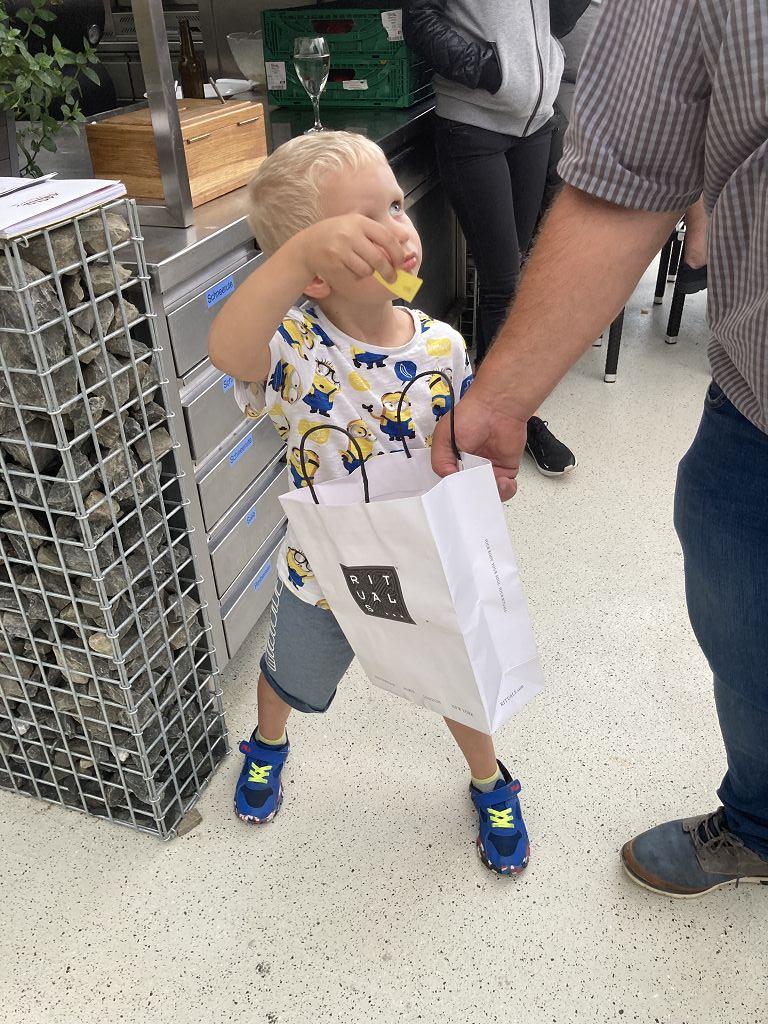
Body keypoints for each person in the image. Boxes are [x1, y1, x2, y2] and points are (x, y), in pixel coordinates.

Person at [431, 0, 768, 898]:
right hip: (755, 402)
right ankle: (761, 822)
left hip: (532, 119)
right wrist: (504, 399)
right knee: (739, 610)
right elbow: (629, 177)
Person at [208, 132, 530, 877]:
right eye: (367, 223)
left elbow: (460, 445)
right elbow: (227, 350)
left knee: (458, 677)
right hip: (324, 571)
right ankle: (268, 743)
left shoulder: (444, 345)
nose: (399, 228)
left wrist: (483, 478)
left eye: (396, 205)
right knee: (291, 672)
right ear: (317, 273)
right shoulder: (291, 348)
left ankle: (490, 780)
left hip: (425, 562)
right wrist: (295, 257)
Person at [404, 0, 588, 477]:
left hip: (534, 125)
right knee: (503, 281)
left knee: (515, 278)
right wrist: (490, 70)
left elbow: (557, 20)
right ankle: (512, 415)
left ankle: (497, 408)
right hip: (473, 124)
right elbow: (419, 19)